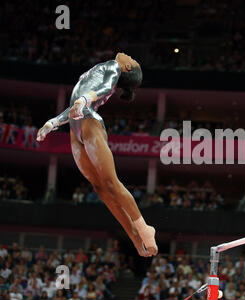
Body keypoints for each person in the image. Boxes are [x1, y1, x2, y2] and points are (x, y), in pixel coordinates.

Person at [37, 53, 157, 257]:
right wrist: (53, 123)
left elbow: (104, 88)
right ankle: (136, 238)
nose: (129, 55)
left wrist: (84, 100)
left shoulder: (113, 67)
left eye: (133, 59)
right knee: (100, 188)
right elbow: (77, 102)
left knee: (111, 182)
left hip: (90, 122)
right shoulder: (105, 67)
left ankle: (145, 229)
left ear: (127, 67)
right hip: (76, 127)